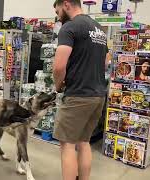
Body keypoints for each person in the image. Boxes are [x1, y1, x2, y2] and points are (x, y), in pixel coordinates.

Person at [52, 1, 108, 180]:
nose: (57, 14)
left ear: (66, 4)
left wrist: (58, 85)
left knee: (67, 144)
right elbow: (106, 61)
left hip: (78, 95)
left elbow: (59, 67)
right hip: (98, 95)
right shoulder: (98, 28)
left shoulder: (70, 27)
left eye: (58, 10)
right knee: (84, 142)